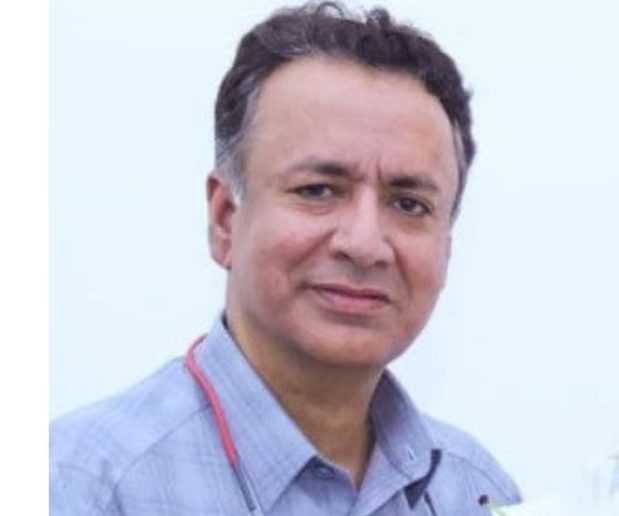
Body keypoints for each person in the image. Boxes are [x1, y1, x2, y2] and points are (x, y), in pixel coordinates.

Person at [50, 2, 522, 514]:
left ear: (447, 246)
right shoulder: (80, 486)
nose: (364, 244)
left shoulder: (473, 492)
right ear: (225, 218)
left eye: (409, 205)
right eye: (318, 190)